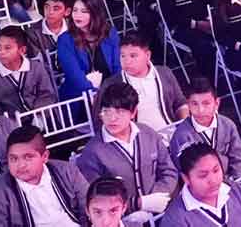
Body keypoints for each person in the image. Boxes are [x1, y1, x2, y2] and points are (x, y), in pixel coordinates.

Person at [75, 82, 178, 223]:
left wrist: (156, 197)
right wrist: (138, 204)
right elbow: (94, 199)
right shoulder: (92, 152)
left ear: (133, 112)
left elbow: (169, 171)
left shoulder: (148, 133)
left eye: (120, 112)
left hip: (161, 208)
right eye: (106, 111)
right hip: (120, 220)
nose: (112, 118)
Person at [0, 125, 90, 227]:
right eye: (13, 159)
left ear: (45, 156)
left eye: (28, 157)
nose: (21, 165)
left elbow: (88, 205)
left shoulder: (67, 171)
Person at [97, 32, 188, 141]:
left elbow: (180, 103)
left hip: (170, 133)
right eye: (122, 56)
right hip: (136, 141)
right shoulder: (111, 84)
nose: (127, 61)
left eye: (133, 56)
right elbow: (100, 119)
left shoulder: (164, 73)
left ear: (147, 55)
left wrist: (184, 127)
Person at [159, 143, 241, 226]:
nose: (213, 180)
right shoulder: (176, 219)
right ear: (186, 178)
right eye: (203, 175)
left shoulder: (235, 190)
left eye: (216, 170)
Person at [168, 78, 241, 179]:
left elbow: (239, 160)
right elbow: (184, 173)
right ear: (188, 104)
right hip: (200, 188)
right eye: (194, 104)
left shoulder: (228, 125)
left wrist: (234, 181)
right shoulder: (181, 136)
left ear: (216, 103)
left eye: (206, 103)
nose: (200, 110)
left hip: (230, 181)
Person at [57, 0, 121, 100]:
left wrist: (110, 93)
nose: (77, 15)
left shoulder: (110, 33)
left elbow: (118, 67)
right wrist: (97, 95)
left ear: (95, 13)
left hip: (111, 94)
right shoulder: (65, 40)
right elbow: (75, 77)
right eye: (75, 10)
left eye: (84, 11)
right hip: (79, 97)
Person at [0, 26, 58, 114]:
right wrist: (12, 120)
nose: (1, 52)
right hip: (12, 123)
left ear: (22, 50)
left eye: (7, 48)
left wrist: (38, 115)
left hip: (44, 116)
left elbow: (47, 95)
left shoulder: (37, 67)